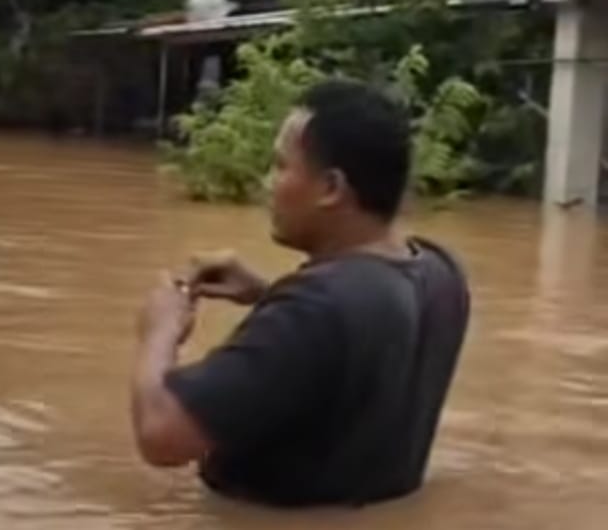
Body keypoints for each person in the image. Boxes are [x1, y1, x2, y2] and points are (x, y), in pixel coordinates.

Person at [132, 79, 470, 508]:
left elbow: (161, 436)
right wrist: (269, 294)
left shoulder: (316, 310)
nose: (267, 183)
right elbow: (367, 335)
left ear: (331, 188)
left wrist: (159, 332)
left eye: (281, 166)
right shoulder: (440, 270)